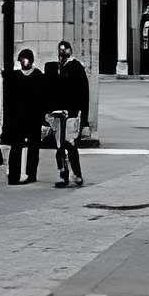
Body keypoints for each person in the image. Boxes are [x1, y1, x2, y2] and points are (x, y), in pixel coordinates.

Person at [49, 40, 89, 188]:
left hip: (72, 113)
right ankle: (63, 174)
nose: (62, 53)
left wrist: (83, 117)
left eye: (65, 50)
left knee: (70, 145)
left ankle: (77, 174)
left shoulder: (76, 67)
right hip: (58, 113)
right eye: (60, 50)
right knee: (59, 146)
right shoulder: (57, 67)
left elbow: (83, 93)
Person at [7, 48, 46, 184]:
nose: (24, 62)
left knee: (33, 147)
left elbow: (42, 100)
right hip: (18, 118)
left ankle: (31, 174)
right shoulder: (15, 76)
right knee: (16, 147)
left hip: (34, 118)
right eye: (22, 60)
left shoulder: (38, 76)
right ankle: (13, 175)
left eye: (26, 59)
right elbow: (10, 100)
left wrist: (43, 120)